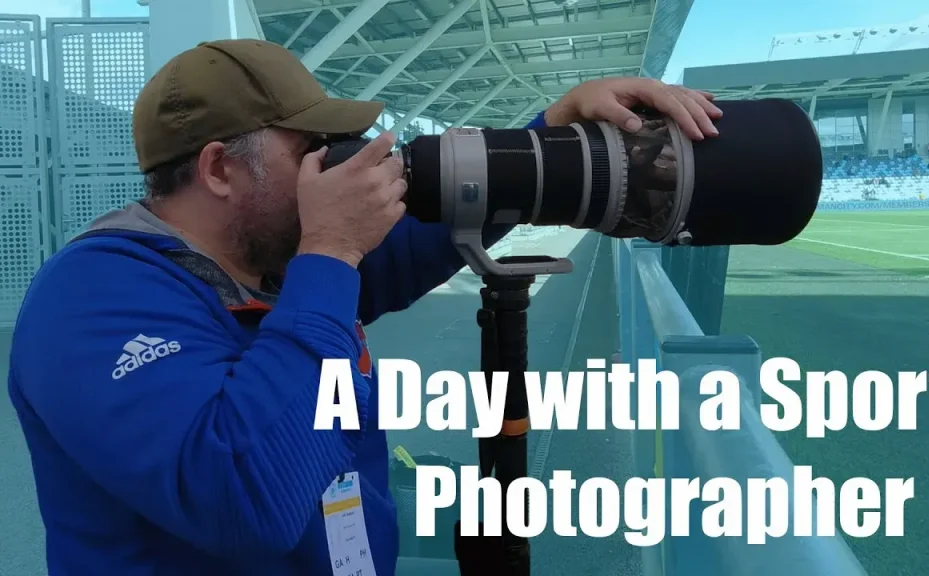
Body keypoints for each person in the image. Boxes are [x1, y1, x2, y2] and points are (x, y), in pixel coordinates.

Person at [7, 38, 721, 576]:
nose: (339, 162)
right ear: (220, 168)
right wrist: (331, 249)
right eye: (313, 147)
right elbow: (243, 498)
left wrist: (553, 127)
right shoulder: (93, 297)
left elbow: (418, 246)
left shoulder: (271, 260)